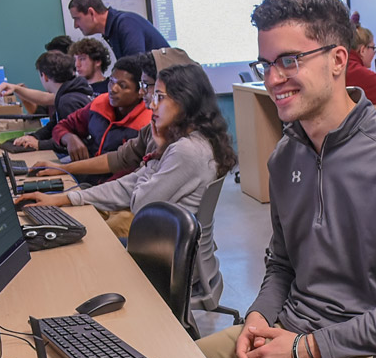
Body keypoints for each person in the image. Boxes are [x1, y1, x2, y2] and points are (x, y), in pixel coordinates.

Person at [196, 0, 376, 358]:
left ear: (337, 60)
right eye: (266, 63)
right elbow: (282, 264)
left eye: (290, 60)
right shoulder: (285, 157)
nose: (273, 77)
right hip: (290, 332)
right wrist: (259, 316)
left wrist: (305, 349)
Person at [18, 61, 236, 246]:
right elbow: (130, 184)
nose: (151, 104)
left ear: (184, 102)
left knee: (86, 244)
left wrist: (157, 151)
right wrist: (64, 198)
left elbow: (140, 203)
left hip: (164, 249)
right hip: (163, 238)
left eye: (159, 96)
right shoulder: (189, 139)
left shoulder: (186, 150)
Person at [51, 54, 153, 183]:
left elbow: (129, 173)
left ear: (140, 92)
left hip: (116, 187)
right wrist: (69, 138)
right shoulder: (100, 104)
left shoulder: (147, 123)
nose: (113, 89)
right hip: (87, 175)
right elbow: (61, 127)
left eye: (122, 85)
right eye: (111, 81)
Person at [11, 51, 94, 151]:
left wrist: (40, 145)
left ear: (44, 76)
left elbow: (75, 143)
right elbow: (54, 126)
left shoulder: (68, 101)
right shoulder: (67, 95)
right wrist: (34, 137)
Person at [68, 0, 170, 58]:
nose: (75, 25)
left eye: (77, 18)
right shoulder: (114, 28)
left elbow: (135, 67)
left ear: (91, 13)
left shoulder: (126, 23)